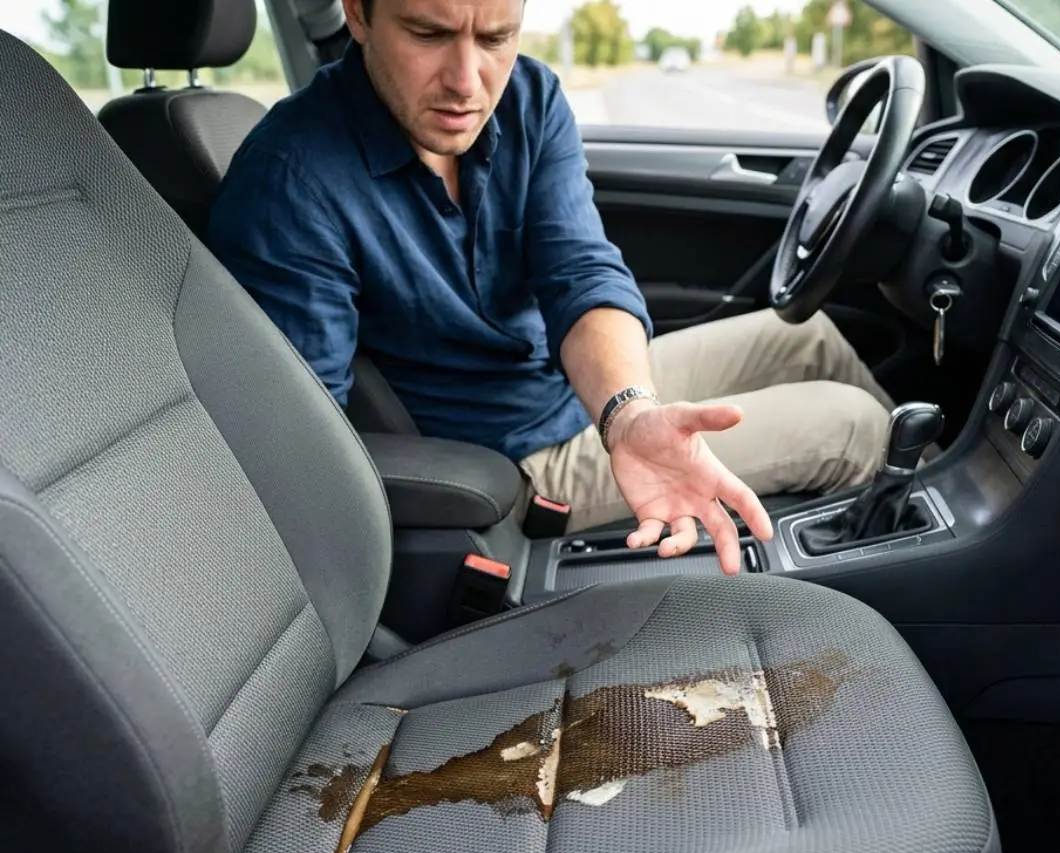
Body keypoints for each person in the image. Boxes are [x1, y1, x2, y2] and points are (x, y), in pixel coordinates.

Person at [207, 0, 895, 576]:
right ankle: (922, 581)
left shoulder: (530, 99)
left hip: (573, 389)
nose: (467, 81)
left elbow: (580, 271)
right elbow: (305, 441)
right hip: (509, 460)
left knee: (804, 335)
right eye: (429, 34)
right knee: (850, 424)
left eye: (496, 37)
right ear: (358, 13)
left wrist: (629, 414)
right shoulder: (289, 180)